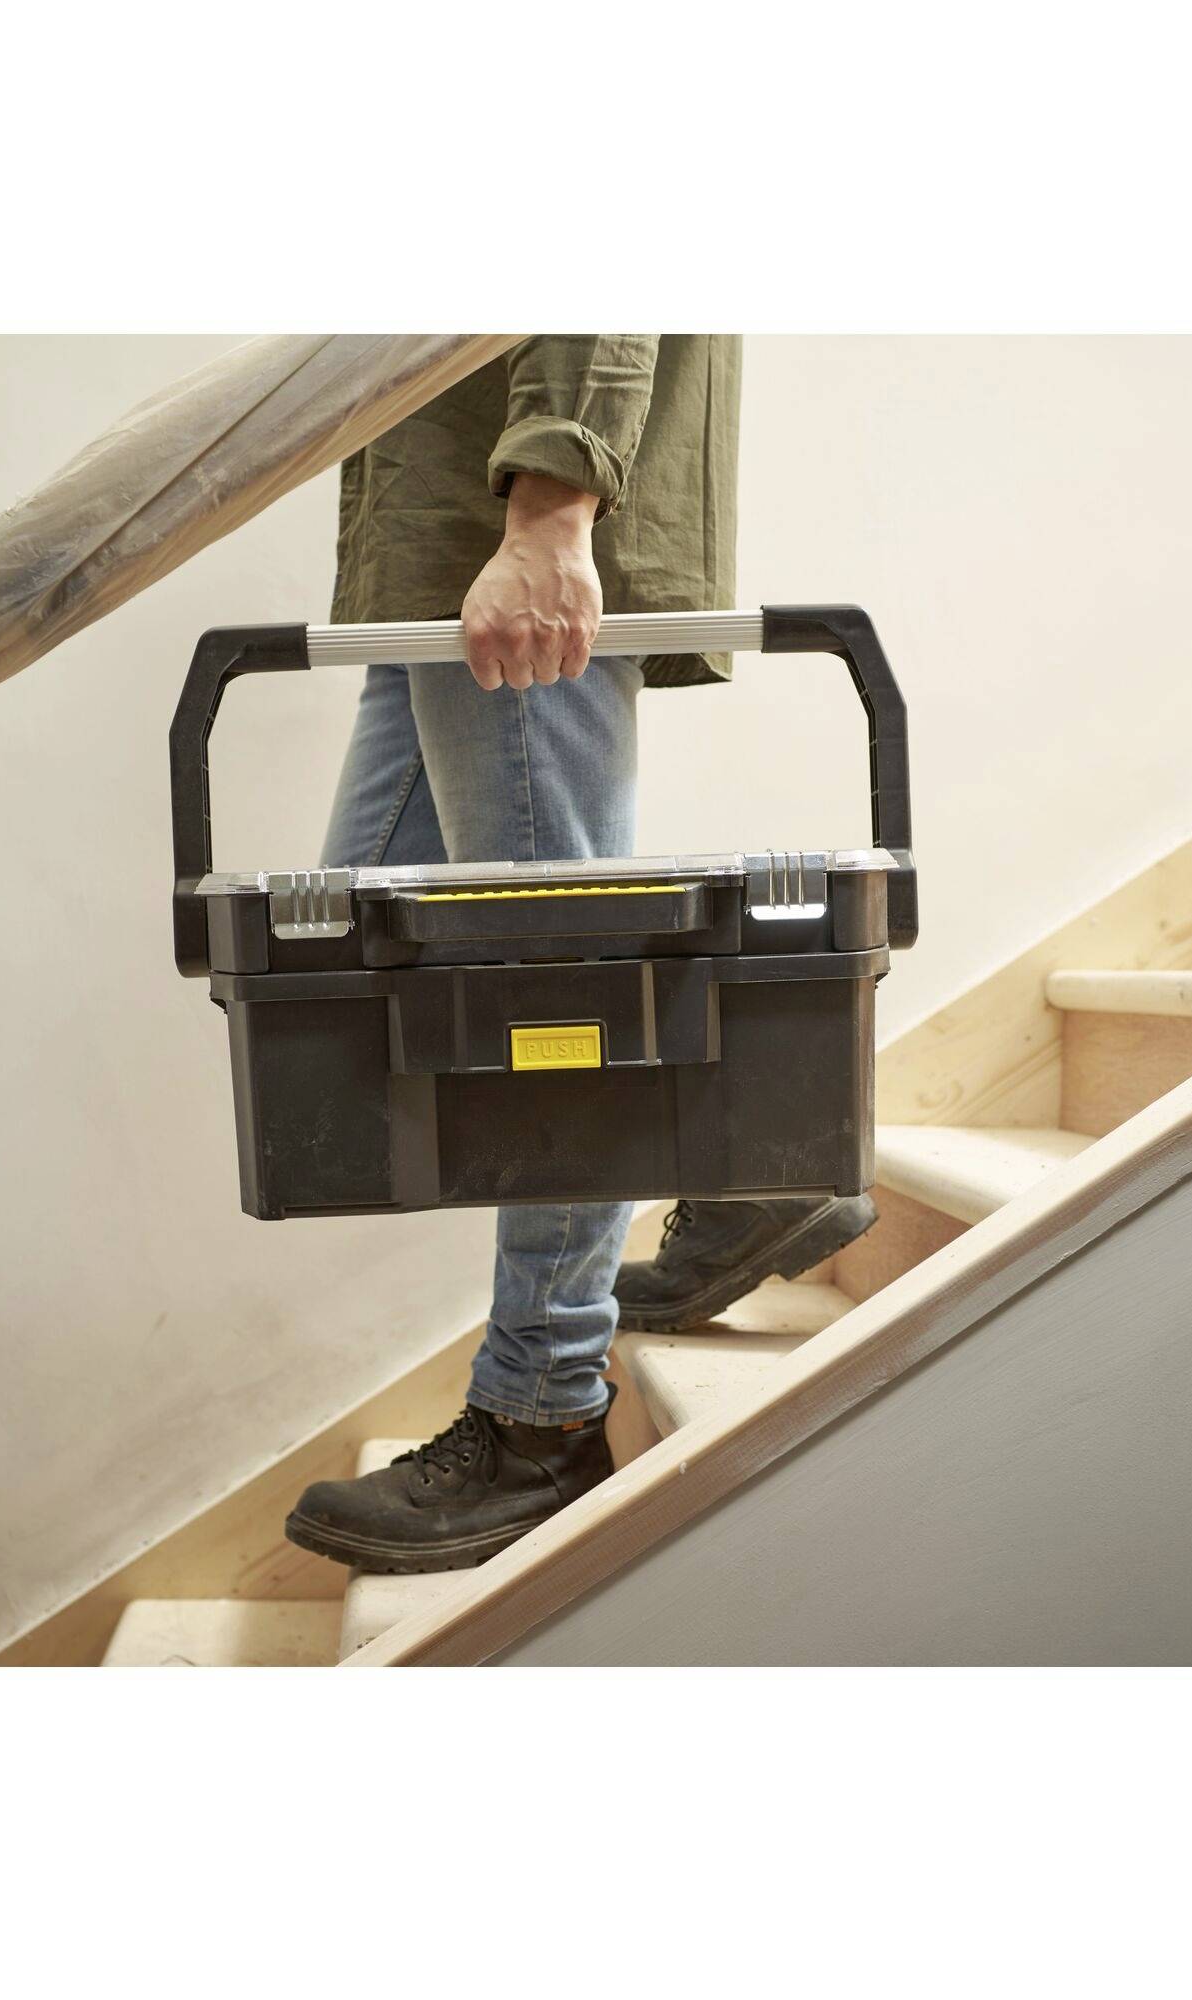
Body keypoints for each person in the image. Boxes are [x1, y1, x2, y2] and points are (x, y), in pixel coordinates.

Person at [283, 336, 875, 1575]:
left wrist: (554, 502)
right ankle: (750, 1163)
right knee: (351, 967)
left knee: (543, 985)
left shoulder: (536, 516)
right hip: (445, 549)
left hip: (504, 531)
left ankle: (542, 1405)